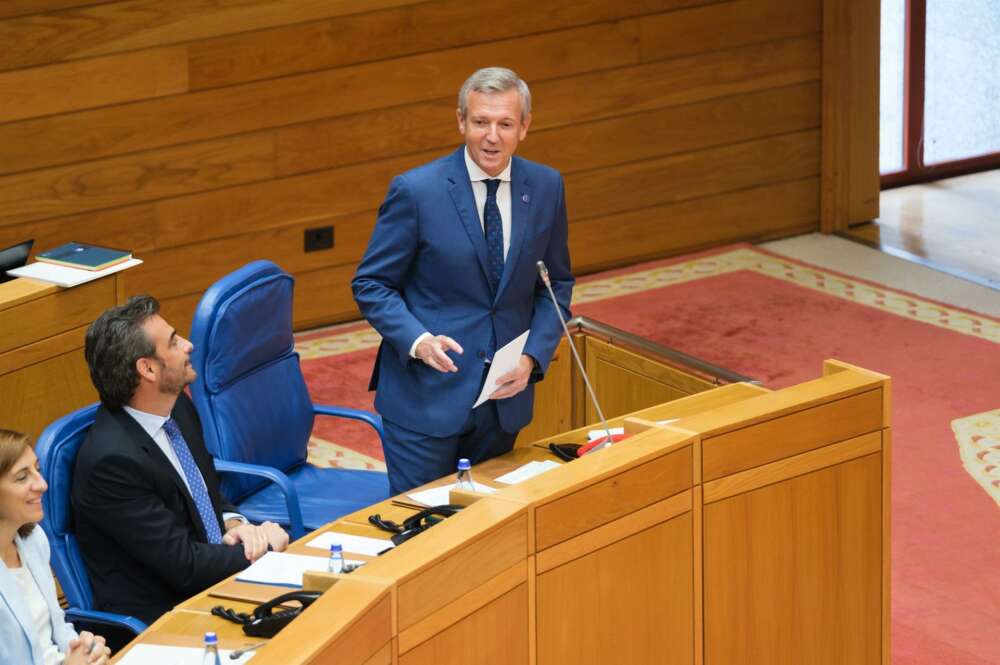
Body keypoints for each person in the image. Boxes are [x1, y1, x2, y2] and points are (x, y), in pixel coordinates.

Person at [352, 66, 574, 494]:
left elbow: (555, 284)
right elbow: (372, 284)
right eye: (480, 122)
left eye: (505, 124)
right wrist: (417, 340)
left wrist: (531, 358)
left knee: (487, 531)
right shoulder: (416, 191)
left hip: (502, 402)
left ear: (524, 127)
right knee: (423, 533)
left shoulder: (546, 187)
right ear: (461, 122)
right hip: (425, 401)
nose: (492, 136)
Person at [71, 296, 289, 625]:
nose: (188, 345)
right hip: (166, 614)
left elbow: (206, 490)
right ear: (147, 369)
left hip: (210, 574)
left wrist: (238, 526)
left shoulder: (176, 409)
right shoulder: (111, 463)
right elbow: (183, 565)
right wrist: (263, 551)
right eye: (174, 342)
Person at [0, 429, 111, 665]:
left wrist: (87, 650)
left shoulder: (32, 540)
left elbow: (57, 630)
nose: (42, 485)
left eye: (37, 470)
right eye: (22, 477)